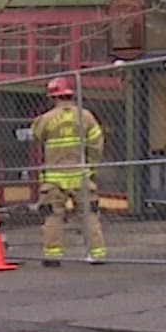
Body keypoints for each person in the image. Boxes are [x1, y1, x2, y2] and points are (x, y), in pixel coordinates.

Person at [29, 76, 106, 266]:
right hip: (80, 174)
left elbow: (35, 136)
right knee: (89, 215)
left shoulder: (45, 119)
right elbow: (96, 144)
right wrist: (90, 165)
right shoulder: (86, 116)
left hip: (54, 177)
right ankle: (97, 254)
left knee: (53, 216)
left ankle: (53, 257)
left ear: (53, 97)